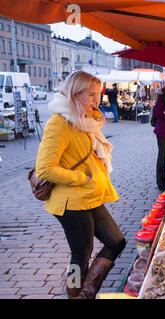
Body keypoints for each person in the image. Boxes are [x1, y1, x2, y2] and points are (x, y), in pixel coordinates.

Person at [35, 70, 126, 299]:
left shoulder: (84, 120)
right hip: (71, 202)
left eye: (98, 94)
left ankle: (86, 293)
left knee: (116, 242)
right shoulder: (59, 123)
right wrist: (81, 178)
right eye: (91, 94)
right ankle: (76, 294)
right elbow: (45, 168)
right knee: (80, 256)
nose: (97, 100)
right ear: (75, 94)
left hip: (90, 196)